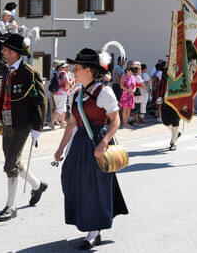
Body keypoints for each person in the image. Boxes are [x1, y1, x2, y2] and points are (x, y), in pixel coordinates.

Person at [53, 48, 128, 250]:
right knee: (71, 180)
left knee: (93, 187)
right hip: (79, 144)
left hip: (97, 142)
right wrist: (60, 149)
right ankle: (86, 221)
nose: (73, 72)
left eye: (77, 68)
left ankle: (94, 232)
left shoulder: (104, 92)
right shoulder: (76, 93)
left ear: (88, 70)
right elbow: (72, 123)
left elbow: (116, 121)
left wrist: (104, 143)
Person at [0, 33, 48, 221]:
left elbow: (41, 100)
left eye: (6, 50)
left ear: (15, 54)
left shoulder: (29, 73)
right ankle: (37, 185)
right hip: (7, 121)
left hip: (22, 123)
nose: (3, 51)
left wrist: (38, 127)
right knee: (13, 161)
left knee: (10, 164)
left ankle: (11, 206)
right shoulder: (7, 70)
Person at [156, 68, 181, 150]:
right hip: (166, 100)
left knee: (175, 120)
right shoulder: (165, 72)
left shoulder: (180, 72)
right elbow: (162, 86)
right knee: (165, 121)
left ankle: (173, 142)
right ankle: (176, 133)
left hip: (176, 101)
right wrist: (160, 96)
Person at [49, 61, 70, 129]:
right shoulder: (64, 73)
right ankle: (52, 123)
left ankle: (62, 124)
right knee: (60, 109)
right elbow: (67, 83)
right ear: (63, 67)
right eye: (65, 66)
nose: (67, 67)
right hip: (63, 93)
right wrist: (72, 83)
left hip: (56, 93)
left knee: (62, 109)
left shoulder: (56, 73)